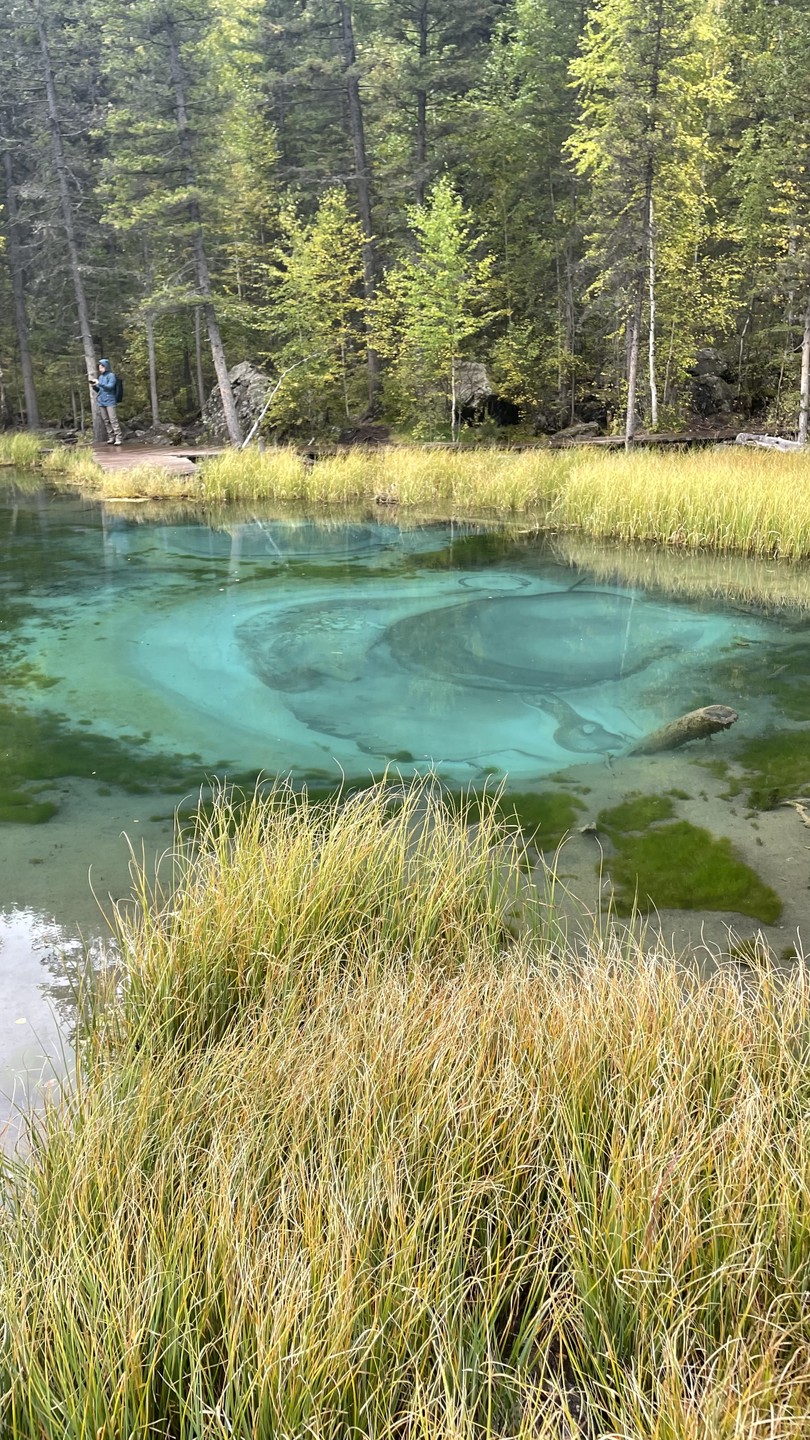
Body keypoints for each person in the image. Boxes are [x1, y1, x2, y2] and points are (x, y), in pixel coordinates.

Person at [90, 359, 123, 445]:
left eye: (101, 367)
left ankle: (118, 437)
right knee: (106, 420)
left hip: (110, 400)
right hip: (101, 401)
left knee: (113, 420)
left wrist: (99, 383)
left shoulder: (111, 376)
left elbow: (110, 387)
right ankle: (111, 437)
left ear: (105, 367)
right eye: (99, 367)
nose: (100, 369)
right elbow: (101, 390)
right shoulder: (101, 377)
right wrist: (94, 386)